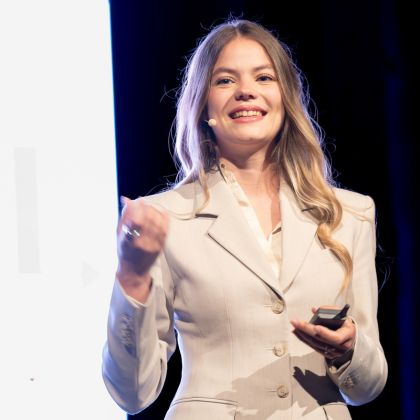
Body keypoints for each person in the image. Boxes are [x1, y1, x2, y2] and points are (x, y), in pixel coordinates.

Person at [102, 19, 387, 419]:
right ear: (203, 105)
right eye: (225, 80)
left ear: (285, 97)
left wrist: (349, 350)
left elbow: (368, 386)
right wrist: (133, 277)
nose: (246, 90)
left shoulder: (350, 215)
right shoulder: (165, 219)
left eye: (263, 77)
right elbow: (132, 393)